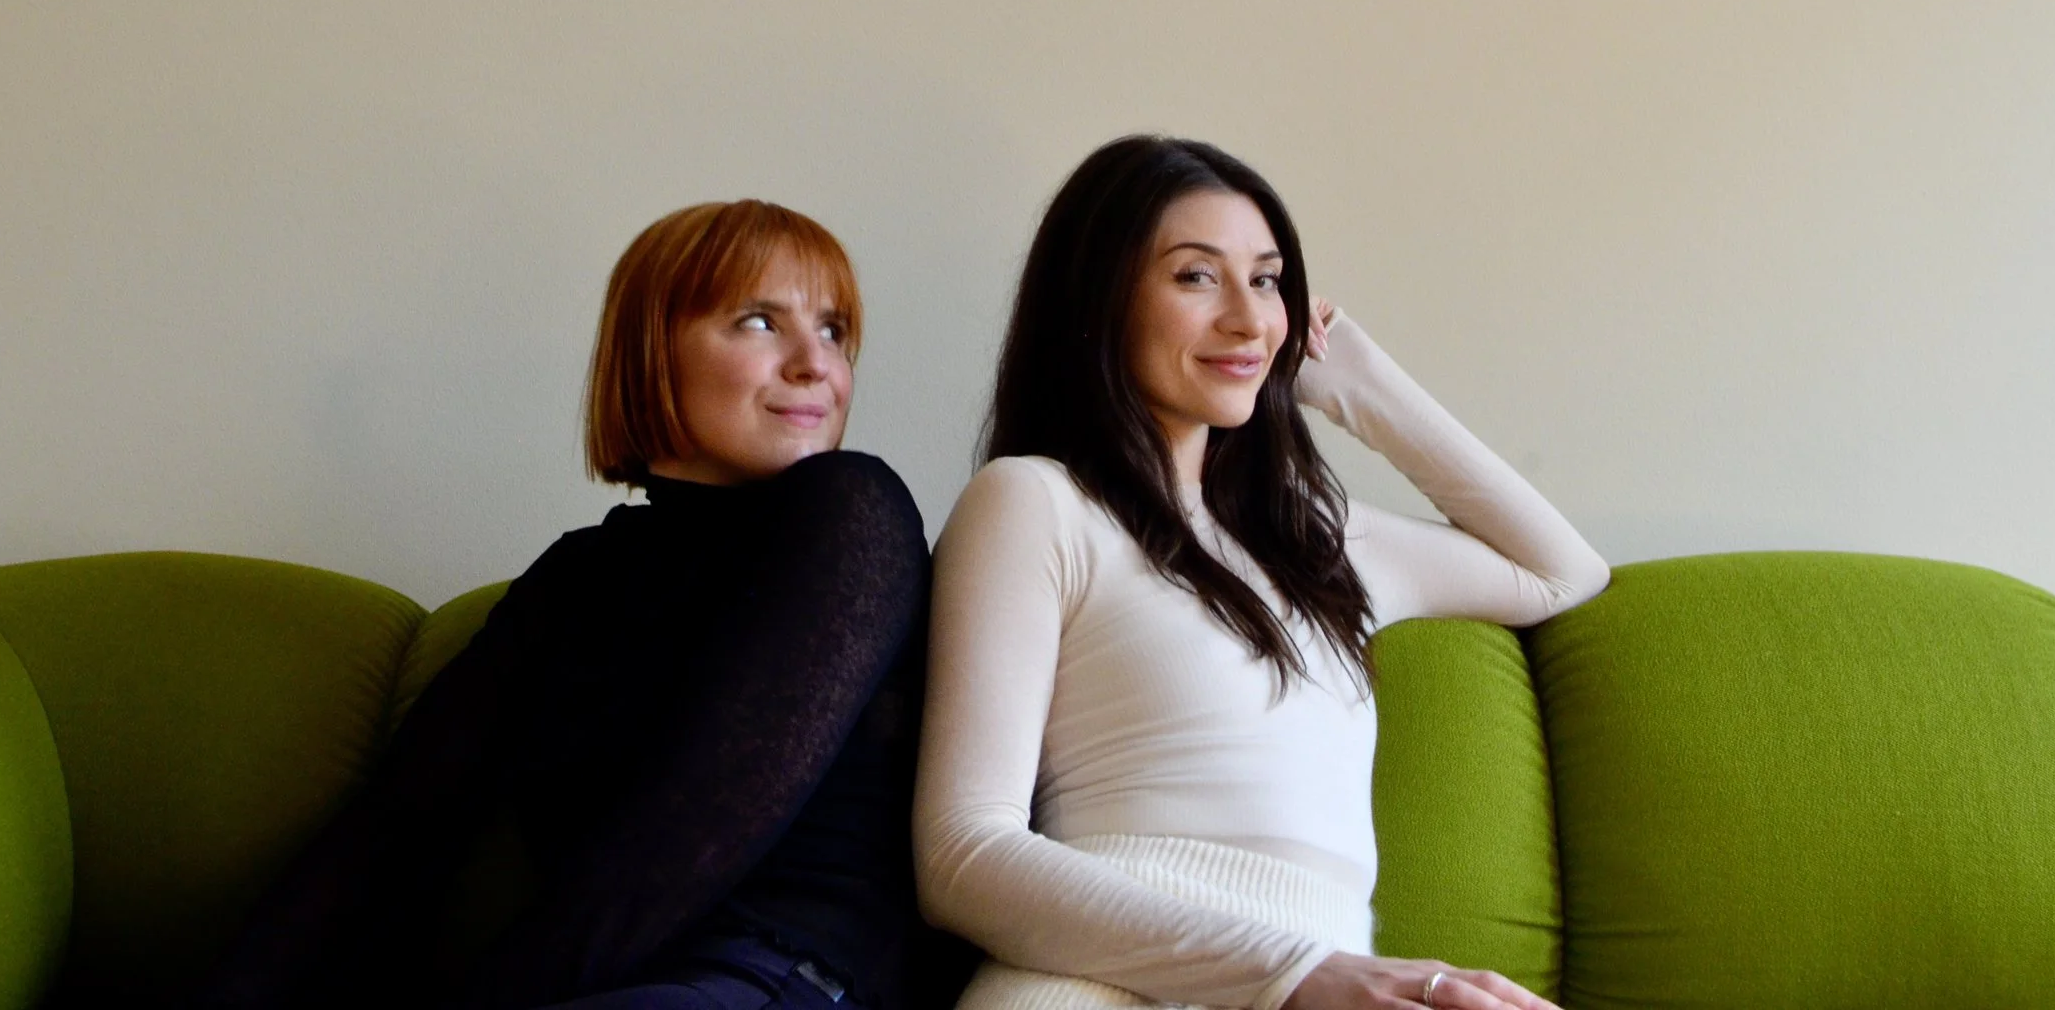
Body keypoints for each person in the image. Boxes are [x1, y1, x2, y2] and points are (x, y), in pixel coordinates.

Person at [915, 137, 1609, 1010]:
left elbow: (1561, 572)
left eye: (1269, 281)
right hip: (1096, 983)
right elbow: (962, 856)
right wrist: (1298, 972)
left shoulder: (1317, 541)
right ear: (1099, 298)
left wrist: (1356, 381)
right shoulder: (1036, 502)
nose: (1249, 320)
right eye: (1196, 277)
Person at [195, 200, 934, 1010]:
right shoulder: (576, 576)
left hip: (773, 978)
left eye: (834, 331)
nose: (815, 364)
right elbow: (394, 829)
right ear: (653, 351)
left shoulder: (852, 510)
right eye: (760, 322)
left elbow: (684, 840)